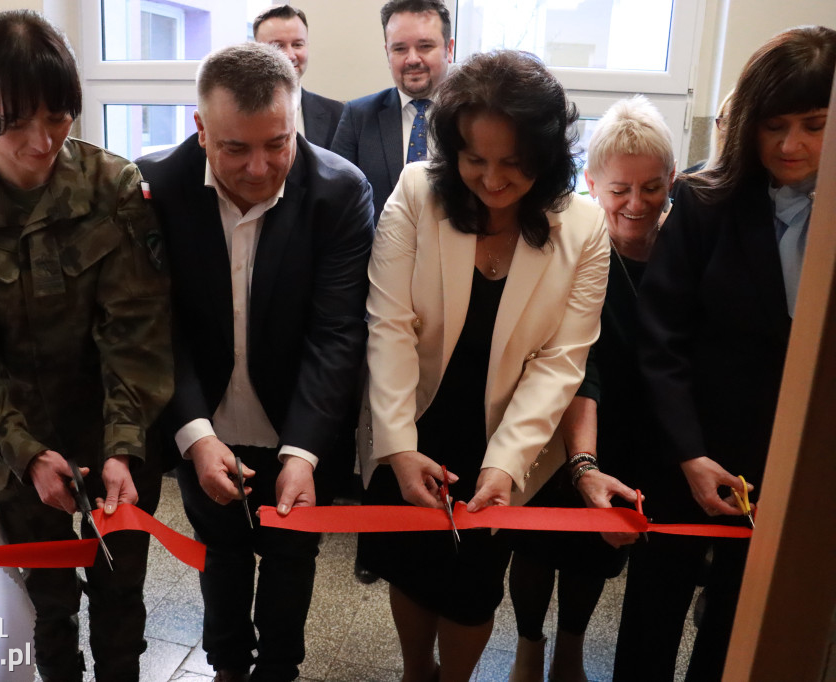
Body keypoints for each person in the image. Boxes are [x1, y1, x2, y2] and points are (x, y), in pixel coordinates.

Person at [0, 11, 172, 682]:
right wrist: (26, 454)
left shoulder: (111, 188)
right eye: (17, 121)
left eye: (58, 117)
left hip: (118, 438)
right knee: (49, 606)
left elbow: (136, 333)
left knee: (121, 600)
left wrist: (121, 447)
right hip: (21, 447)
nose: (41, 140)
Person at [356, 50, 609, 682]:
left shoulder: (583, 228)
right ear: (451, 151)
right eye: (475, 160)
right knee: (412, 562)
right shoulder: (418, 192)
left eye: (513, 163)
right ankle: (417, 671)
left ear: (546, 156)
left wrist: (505, 463)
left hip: (507, 430)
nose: (493, 181)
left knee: (473, 582)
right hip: (417, 411)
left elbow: (560, 363)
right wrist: (397, 445)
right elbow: (389, 325)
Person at [135, 42, 373, 682]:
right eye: (235, 148)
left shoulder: (339, 192)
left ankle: (279, 670)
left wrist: (303, 452)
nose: (260, 166)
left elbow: (336, 333)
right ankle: (227, 667)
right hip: (203, 417)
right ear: (201, 129)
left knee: (293, 560)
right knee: (222, 553)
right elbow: (159, 326)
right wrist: (194, 435)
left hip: (303, 423)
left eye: (278, 142)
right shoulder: (156, 186)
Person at [613, 25, 835, 682]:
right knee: (654, 609)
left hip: (790, 458)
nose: (791, 145)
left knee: (741, 617)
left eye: (814, 124)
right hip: (691, 442)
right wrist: (690, 452)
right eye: (774, 126)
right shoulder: (705, 200)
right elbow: (662, 339)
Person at [505, 95, 674, 682]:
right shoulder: (565, 244)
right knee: (535, 543)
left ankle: (570, 649)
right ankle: (529, 645)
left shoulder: (680, 251)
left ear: (670, 181)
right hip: (560, 419)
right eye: (619, 189)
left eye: (651, 188)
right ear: (591, 183)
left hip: (633, 427)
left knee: (597, 551)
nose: (635, 204)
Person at [331, 0, 454, 224]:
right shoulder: (357, 117)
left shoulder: (471, 116)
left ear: (449, 49)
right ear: (387, 52)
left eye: (425, 46)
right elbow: (336, 201)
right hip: (377, 253)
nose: (413, 59)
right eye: (399, 48)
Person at [253, 4, 344, 149]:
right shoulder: (234, 112)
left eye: (297, 45)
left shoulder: (338, 115)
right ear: (256, 51)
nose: (290, 55)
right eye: (278, 46)